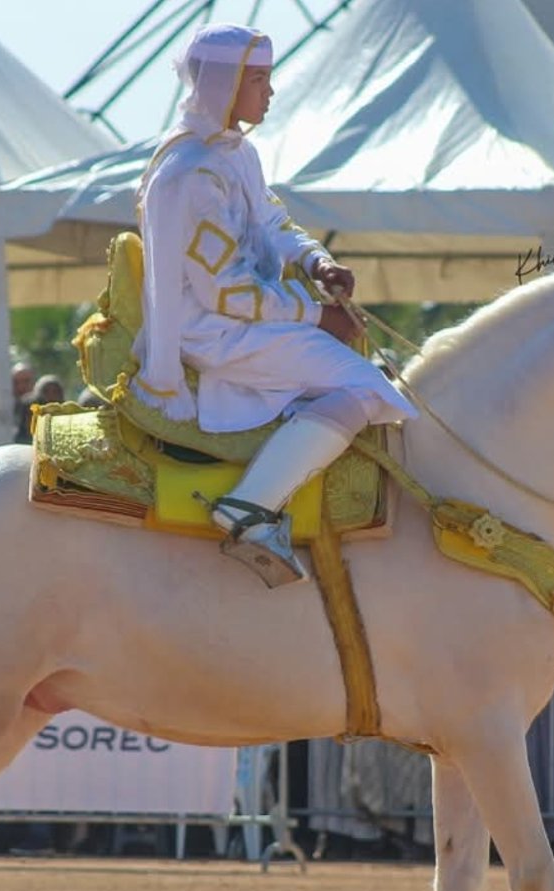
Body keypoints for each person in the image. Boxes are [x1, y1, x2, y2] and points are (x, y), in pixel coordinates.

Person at [132, 23, 415, 585]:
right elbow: (224, 291)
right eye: (258, 79)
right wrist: (316, 315)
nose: (270, 92)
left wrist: (316, 262)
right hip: (213, 331)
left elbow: (272, 221)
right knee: (367, 389)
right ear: (224, 84)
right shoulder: (190, 173)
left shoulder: (236, 153)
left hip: (241, 320)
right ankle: (250, 506)